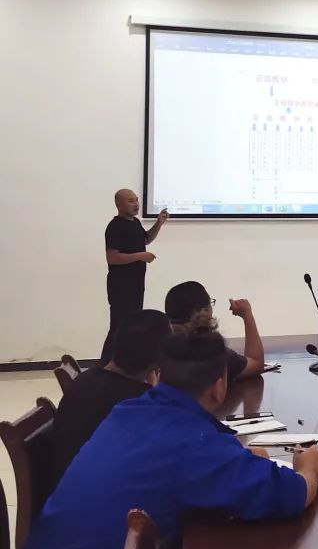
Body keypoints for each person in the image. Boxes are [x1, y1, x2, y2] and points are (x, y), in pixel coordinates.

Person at [17, 331, 318, 549]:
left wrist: (238, 461)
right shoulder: (194, 445)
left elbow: (180, 463)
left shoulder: (128, 411)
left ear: (157, 376)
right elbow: (289, 495)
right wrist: (309, 467)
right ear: (219, 386)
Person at [52, 309, 171, 484]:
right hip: (101, 490)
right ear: (159, 360)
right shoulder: (139, 401)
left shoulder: (86, 379)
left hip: (69, 484)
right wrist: (155, 391)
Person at [103, 189, 168, 361]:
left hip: (136, 284)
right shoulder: (115, 226)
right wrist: (140, 256)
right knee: (119, 327)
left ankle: (125, 364)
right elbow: (112, 257)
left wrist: (159, 223)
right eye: (131, 201)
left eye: (137, 200)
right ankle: (105, 365)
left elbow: (145, 239)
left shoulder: (135, 223)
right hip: (120, 286)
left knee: (132, 326)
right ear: (119, 205)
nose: (136, 204)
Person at [166, 281, 265, 380]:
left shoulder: (161, 347)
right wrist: (246, 314)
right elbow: (256, 364)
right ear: (204, 312)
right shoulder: (211, 352)